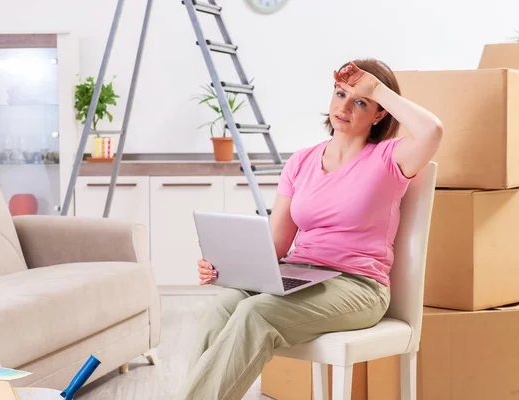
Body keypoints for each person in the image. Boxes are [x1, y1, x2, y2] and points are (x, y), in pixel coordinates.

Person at [174, 59, 443, 400]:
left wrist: (376, 88)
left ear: (379, 114)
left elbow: (432, 130)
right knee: (223, 307)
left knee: (256, 314)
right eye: (340, 93)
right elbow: (276, 243)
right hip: (298, 274)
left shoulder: (389, 158)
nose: (343, 107)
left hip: (358, 285)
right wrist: (225, 265)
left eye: (359, 101)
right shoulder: (301, 162)